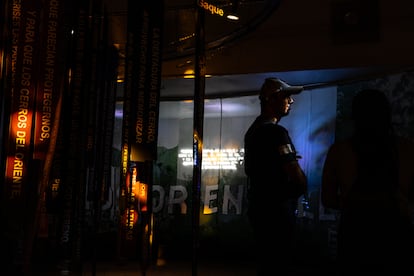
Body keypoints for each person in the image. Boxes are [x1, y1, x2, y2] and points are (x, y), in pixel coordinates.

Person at [321, 89, 414, 275]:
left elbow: (329, 199)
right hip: (396, 237)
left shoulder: (339, 152)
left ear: (355, 116)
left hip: (355, 237)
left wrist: (355, 203)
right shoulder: (407, 150)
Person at [244, 77, 308, 275]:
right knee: (279, 262)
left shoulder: (253, 131)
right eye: (286, 96)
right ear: (271, 99)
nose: (291, 101)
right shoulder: (277, 132)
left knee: (266, 262)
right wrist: (300, 186)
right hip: (277, 211)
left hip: (260, 208)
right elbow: (293, 171)